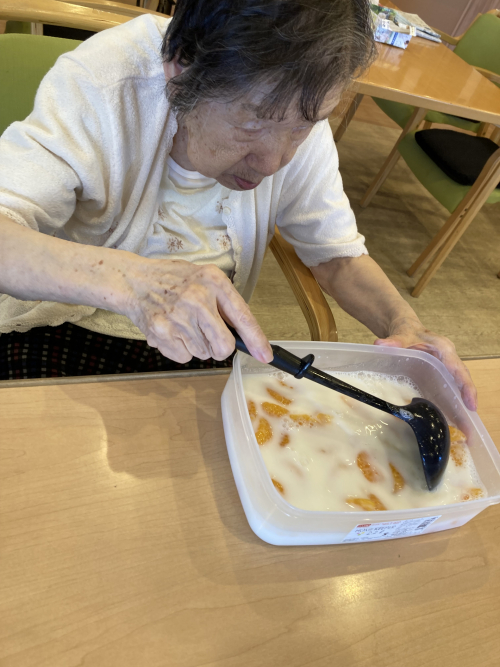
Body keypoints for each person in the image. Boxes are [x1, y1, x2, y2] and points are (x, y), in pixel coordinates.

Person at [0, 0, 476, 410]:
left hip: (207, 342)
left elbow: (337, 257)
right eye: (253, 125)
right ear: (181, 70)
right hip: (71, 321)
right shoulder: (104, 84)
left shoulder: (300, 96)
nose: (274, 162)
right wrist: (136, 283)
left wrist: (405, 327)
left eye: (303, 127)